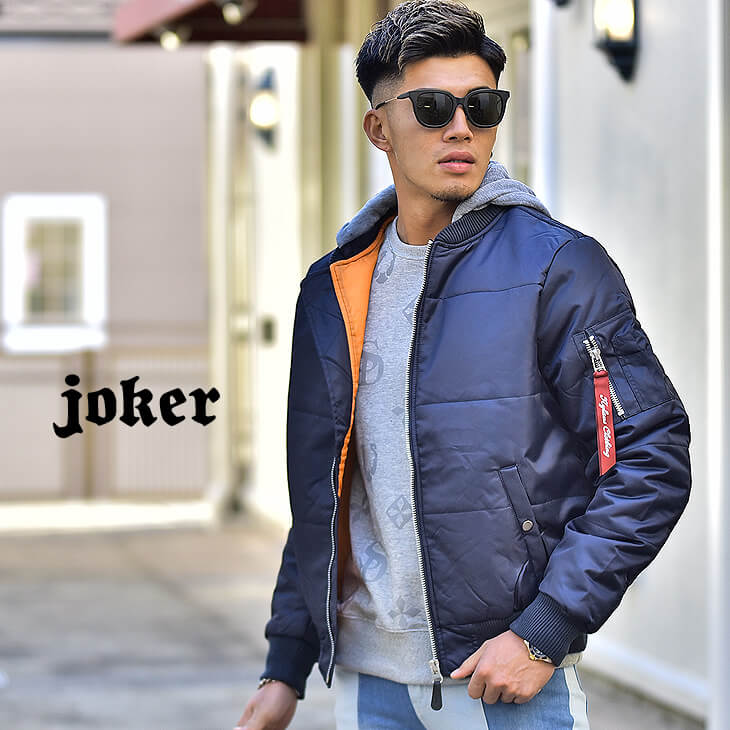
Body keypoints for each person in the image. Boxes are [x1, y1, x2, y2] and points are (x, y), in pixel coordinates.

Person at [234, 1, 692, 728]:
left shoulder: (558, 269)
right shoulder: (334, 288)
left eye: (481, 106)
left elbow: (650, 455)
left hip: (506, 682)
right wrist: (285, 662)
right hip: (370, 683)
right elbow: (328, 492)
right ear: (378, 128)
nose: (460, 127)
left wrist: (545, 629)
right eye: (432, 107)